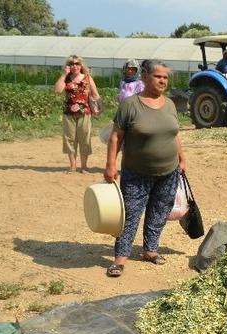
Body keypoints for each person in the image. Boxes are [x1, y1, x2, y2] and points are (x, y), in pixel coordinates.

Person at [103, 59, 187, 278]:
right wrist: (110, 165)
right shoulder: (130, 105)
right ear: (145, 77)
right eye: (158, 76)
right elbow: (115, 137)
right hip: (136, 172)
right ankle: (120, 259)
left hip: (168, 171)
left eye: (165, 77)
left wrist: (182, 159)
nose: (162, 81)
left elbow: (175, 133)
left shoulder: (169, 104)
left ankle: (150, 250)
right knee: (130, 215)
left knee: (159, 211)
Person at [54, 55, 100, 173]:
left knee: (84, 139)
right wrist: (64, 75)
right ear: (68, 66)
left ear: (81, 65)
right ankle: (73, 166)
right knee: (69, 139)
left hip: (85, 112)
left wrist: (100, 107)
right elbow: (58, 90)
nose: (74, 66)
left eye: (77, 64)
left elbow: (95, 94)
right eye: (71, 64)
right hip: (68, 113)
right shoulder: (66, 78)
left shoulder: (87, 78)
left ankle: (84, 166)